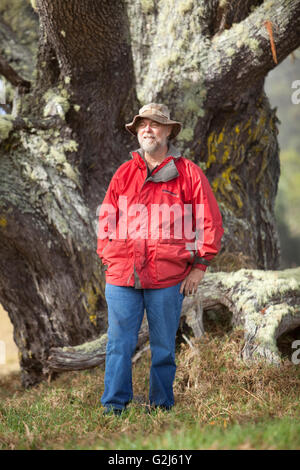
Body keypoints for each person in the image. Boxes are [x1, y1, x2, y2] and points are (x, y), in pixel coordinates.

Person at [97, 103, 224, 415]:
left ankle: (161, 406)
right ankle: (114, 406)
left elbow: (211, 222)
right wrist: (109, 257)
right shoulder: (124, 173)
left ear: (169, 131)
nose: (147, 129)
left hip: (167, 278)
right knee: (118, 346)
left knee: (165, 347)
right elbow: (106, 222)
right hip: (122, 276)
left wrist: (200, 265)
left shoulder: (188, 174)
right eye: (142, 125)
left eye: (155, 124)